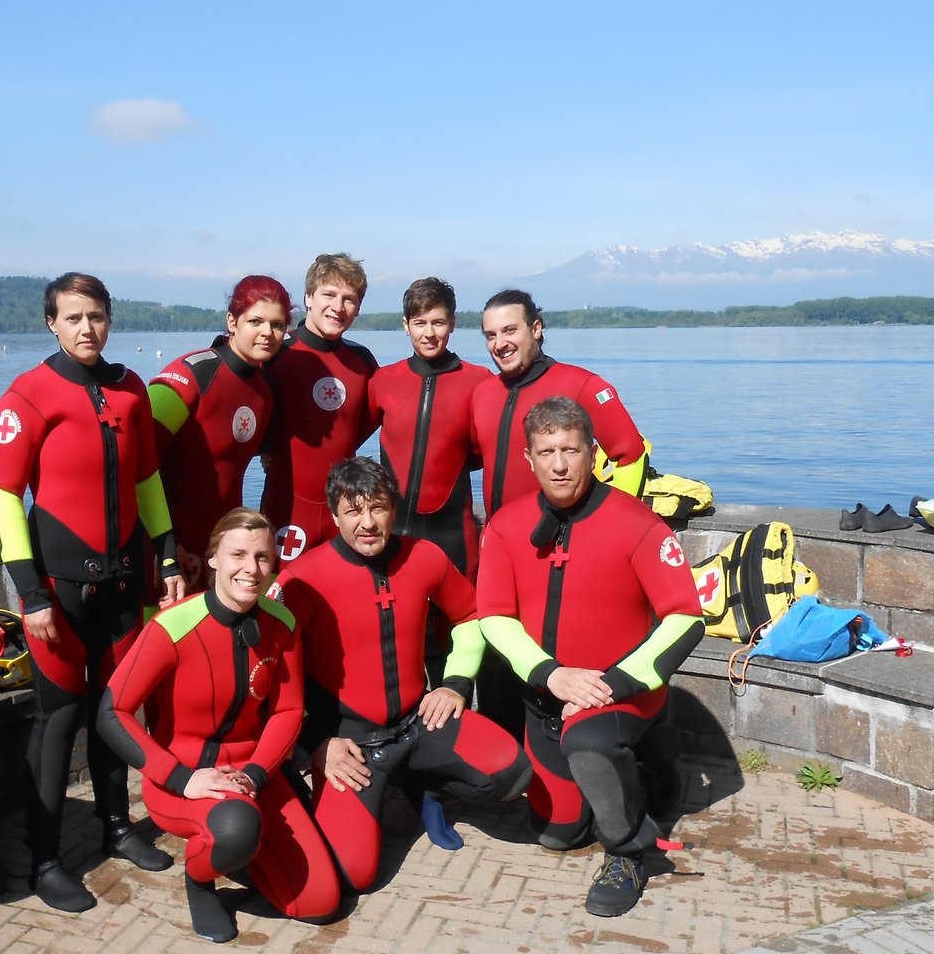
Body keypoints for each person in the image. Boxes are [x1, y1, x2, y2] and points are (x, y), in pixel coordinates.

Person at [0, 273, 186, 914]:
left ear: (109, 320)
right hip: (58, 589)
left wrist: (165, 553)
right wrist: (29, 591)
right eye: (73, 317)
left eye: (96, 316)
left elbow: (148, 479)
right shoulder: (29, 396)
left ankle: (117, 828)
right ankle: (46, 860)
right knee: (58, 719)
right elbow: (4, 498)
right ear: (52, 322)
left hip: (125, 583)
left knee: (112, 712)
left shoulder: (130, 390)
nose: (86, 328)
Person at [476, 396, 702, 918]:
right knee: (558, 834)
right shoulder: (506, 527)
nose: (559, 464)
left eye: (571, 450)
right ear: (528, 459)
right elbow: (493, 616)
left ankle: (629, 853)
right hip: (546, 700)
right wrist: (550, 676)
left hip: (618, 695)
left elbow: (685, 618)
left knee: (592, 744)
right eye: (547, 451)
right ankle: (638, 775)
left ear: (592, 453)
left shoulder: (636, 522)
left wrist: (615, 684)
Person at [276, 458, 530, 894]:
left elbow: (470, 616)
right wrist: (315, 744)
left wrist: (455, 684)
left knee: (513, 773)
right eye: (354, 512)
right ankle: (382, 792)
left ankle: (425, 788)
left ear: (393, 508)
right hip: (352, 744)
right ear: (335, 516)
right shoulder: (302, 578)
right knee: (352, 875)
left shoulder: (424, 556)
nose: (368, 523)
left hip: (420, 723)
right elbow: (275, 669)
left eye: (378, 507)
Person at [97, 508, 342, 943]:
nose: (251, 569)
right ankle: (201, 880)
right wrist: (181, 778)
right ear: (213, 558)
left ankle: (240, 849)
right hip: (186, 780)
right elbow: (110, 713)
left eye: (263, 558)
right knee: (235, 828)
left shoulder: (281, 623)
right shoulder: (171, 627)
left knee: (320, 903)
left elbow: (287, 712)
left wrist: (256, 774)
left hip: (254, 775)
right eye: (238, 555)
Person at [149, 275, 292, 590]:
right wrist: (164, 548)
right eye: (255, 321)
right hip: (167, 549)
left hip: (222, 552)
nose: (267, 333)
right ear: (232, 321)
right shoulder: (192, 376)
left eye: (277, 325)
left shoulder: (265, 390)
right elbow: (136, 466)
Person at [471, 288, 648, 519]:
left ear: (536, 329)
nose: (500, 343)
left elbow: (632, 457)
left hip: (564, 544)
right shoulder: (483, 394)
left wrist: (609, 522)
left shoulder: (583, 386)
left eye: (510, 330)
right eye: (491, 335)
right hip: (499, 542)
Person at [365, 277, 491, 579]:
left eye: (439, 323)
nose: (430, 333)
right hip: (393, 530)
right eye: (420, 323)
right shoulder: (384, 381)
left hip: (454, 534)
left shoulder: (479, 381)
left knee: (460, 622)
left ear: (453, 323)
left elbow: (490, 451)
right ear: (406, 325)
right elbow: (346, 438)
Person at [260, 252, 379, 564]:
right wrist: (263, 446)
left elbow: (362, 425)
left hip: (343, 512)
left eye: (349, 299)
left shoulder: (362, 362)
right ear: (308, 298)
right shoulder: (277, 353)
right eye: (329, 294)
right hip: (286, 509)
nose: (338, 308)